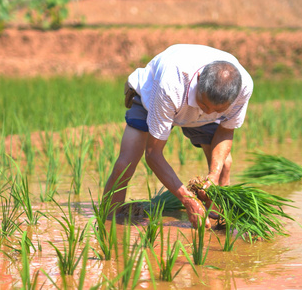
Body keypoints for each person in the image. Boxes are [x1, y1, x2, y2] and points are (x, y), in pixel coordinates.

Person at [103, 44, 253, 228]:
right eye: (204, 105)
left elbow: (226, 130)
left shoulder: (244, 87)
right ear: (198, 80)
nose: (207, 112)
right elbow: (153, 153)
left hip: (190, 105)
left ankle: (217, 221)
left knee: (224, 166)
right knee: (124, 165)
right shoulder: (170, 83)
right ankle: (109, 222)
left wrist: (213, 177)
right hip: (153, 99)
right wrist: (187, 199)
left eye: (217, 110)